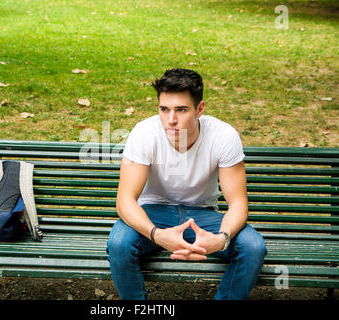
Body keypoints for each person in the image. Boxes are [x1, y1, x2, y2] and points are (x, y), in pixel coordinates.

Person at [106, 68, 267, 300]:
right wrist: (157, 235)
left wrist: (221, 238)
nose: (171, 119)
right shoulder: (144, 133)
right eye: (164, 109)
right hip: (153, 213)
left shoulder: (223, 136)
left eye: (181, 110)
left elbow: (238, 203)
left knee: (253, 247)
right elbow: (125, 201)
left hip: (202, 216)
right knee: (119, 243)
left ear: (200, 109)